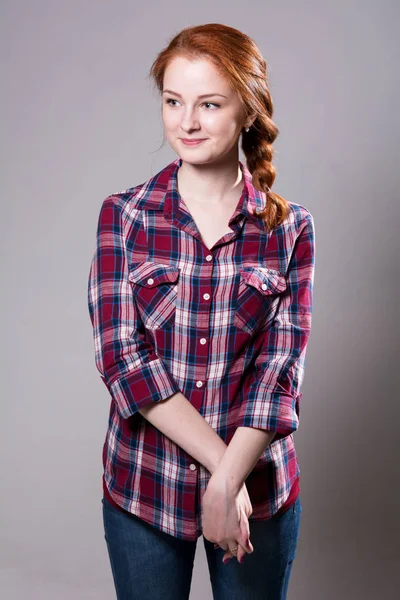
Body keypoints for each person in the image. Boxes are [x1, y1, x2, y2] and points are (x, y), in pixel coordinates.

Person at [87, 22, 315, 600]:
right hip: (145, 485)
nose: (185, 122)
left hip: (259, 494)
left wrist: (234, 480)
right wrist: (223, 475)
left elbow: (279, 373)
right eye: (172, 101)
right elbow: (124, 363)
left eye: (208, 104)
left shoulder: (289, 229)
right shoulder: (125, 217)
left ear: (248, 110)